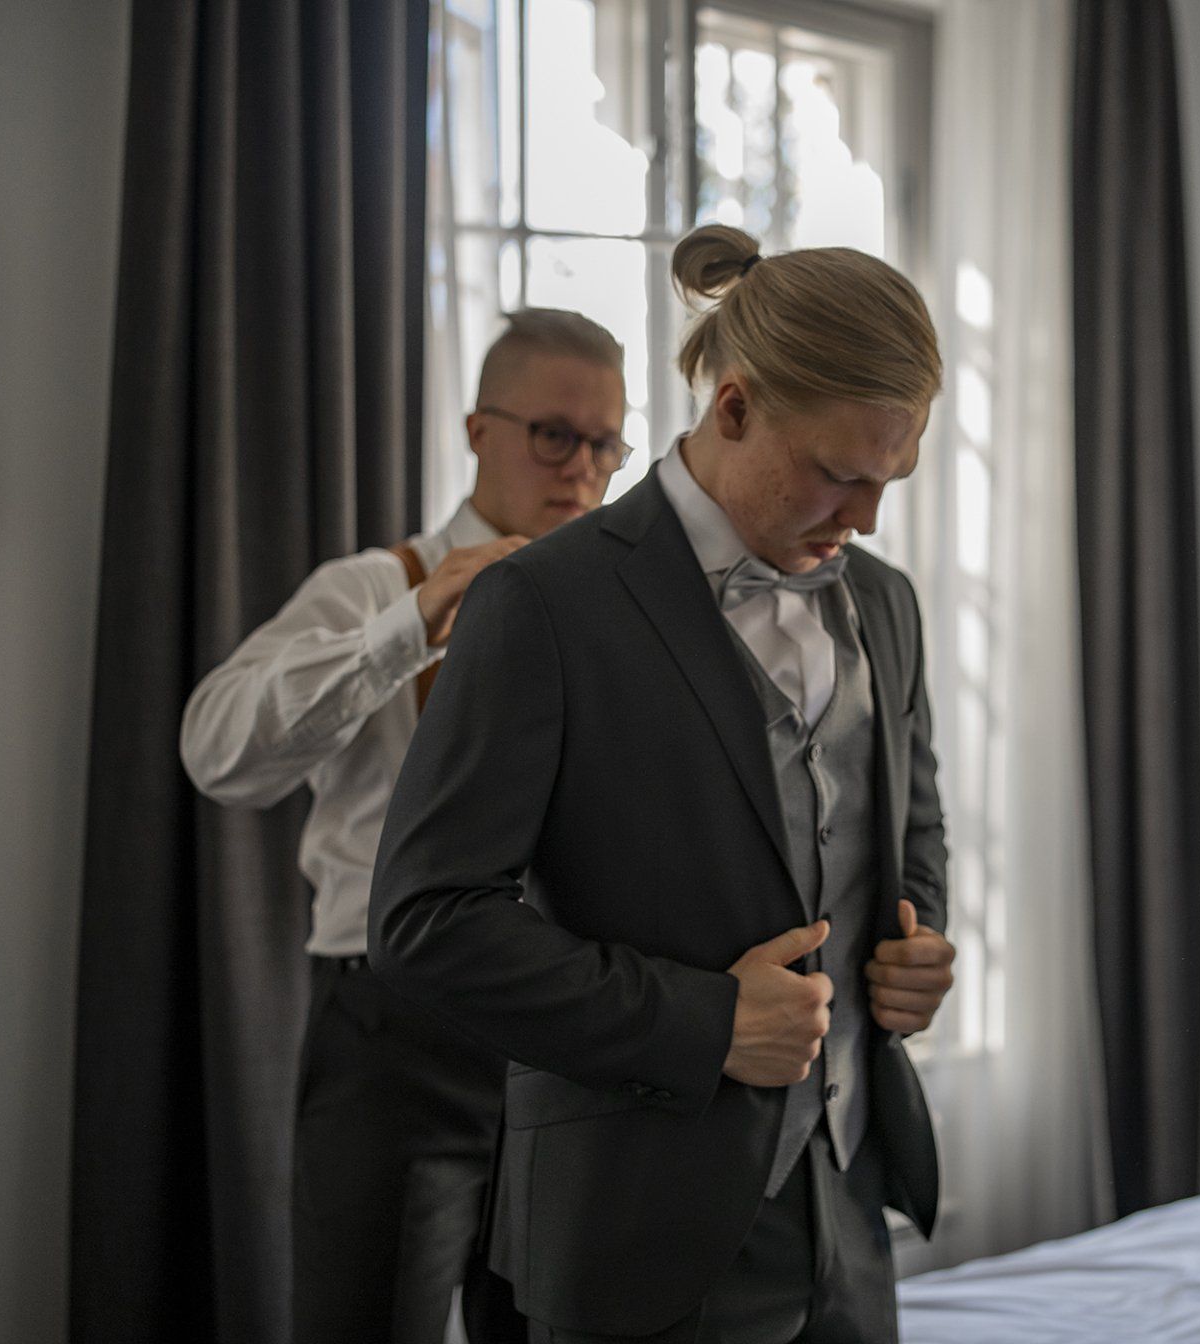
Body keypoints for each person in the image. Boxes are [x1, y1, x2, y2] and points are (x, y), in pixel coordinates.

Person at [368, 223, 957, 1344]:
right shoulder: (542, 606)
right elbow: (425, 923)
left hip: (848, 1217)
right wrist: (705, 1024)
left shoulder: (885, 602)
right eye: (840, 475)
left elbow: (913, 824)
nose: (868, 518)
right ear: (732, 409)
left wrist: (917, 944)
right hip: (634, 1230)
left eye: (891, 481)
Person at [179, 308, 631, 1344]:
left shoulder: (618, 613)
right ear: (478, 431)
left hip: (566, 1039)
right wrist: (405, 631)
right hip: (395, 1044)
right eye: (554, 435)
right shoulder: (374, 589)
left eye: (606, 444)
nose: (581, 469)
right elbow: (214, 749)